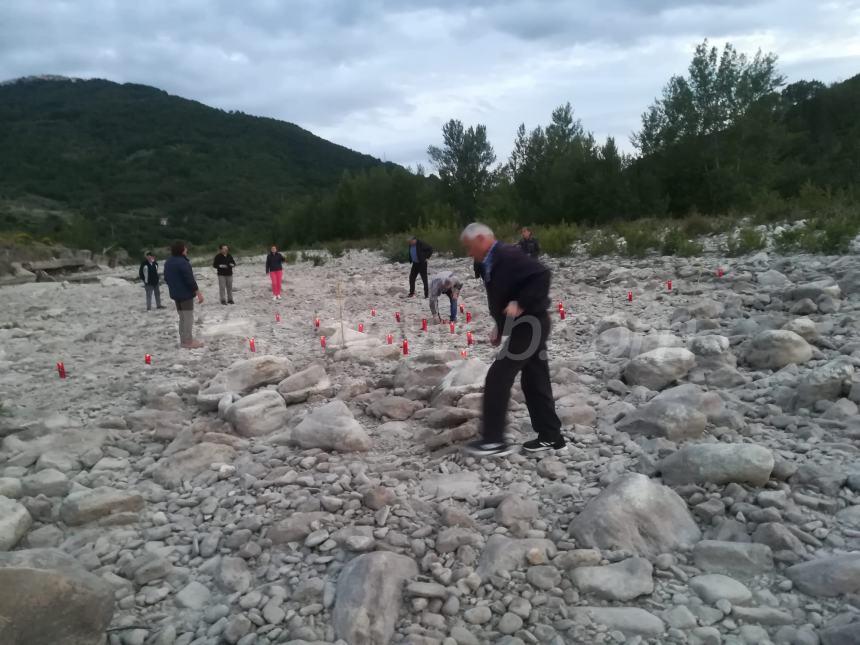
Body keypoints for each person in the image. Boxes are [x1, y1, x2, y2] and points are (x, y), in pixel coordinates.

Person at [461, 222, 564, 457]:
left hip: (531, 325)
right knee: (535, 380)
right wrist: (500, 326)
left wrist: (522, 303)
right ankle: (552, 437)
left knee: (499, 374)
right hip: (526, 325)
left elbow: (541, 274)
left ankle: (494, 441)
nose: (469, 252)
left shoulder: (506, 254)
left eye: (469, 247)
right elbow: (505, 295)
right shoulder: (489, 260)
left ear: (480, 239)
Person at [163, 241, 205, 349]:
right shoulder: (183, 263)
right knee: (188, 317)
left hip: (175, 294)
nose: (187, 250)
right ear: (181, 250)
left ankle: (183, 340)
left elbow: (166, 278)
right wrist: (198, 293)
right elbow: (189, 279)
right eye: (185, 248)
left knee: (182, 317)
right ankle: (188, 341)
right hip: (185, 295)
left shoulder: (168, 262)